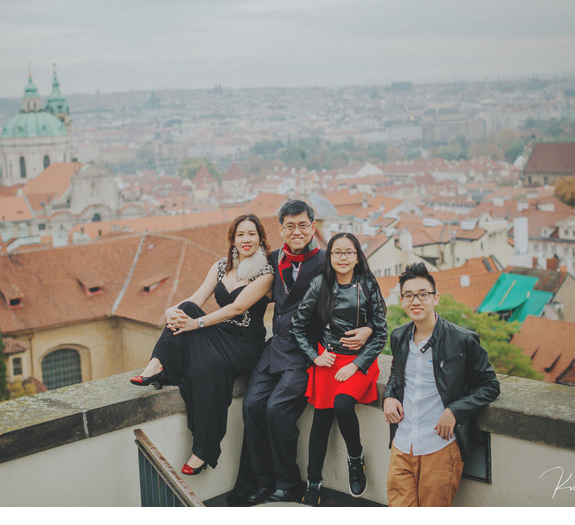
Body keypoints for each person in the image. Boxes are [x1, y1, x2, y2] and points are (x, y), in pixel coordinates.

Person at [233, 200, 375, 505]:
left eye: (302, 225)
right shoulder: (271, 259)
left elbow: (362, 295)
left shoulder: (328, 261)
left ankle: (288, 482)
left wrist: (369, 330)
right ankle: (262, 480)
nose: (296, 231)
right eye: (290, 226)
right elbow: (236, 275)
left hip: (307, 353)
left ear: (313, 227)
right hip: (274, 350)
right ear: (281, 229)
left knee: (277, 411)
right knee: (252, 407)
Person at [130, 214, 274, 475]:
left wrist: (195, 324)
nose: (246, 239)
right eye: (240, 234)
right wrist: (173, 311)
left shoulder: (266, 273)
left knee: (206, 367)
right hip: (219, 333)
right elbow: (197, 298)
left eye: (252, 234)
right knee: (186, 308)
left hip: (245, 343)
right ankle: (155, 365)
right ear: (233, 239)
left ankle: (203, 450)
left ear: (260, 239)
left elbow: (237, 308)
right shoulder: (221, 266)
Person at [383, 262, 500, 507]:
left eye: (423, 294)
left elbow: (490, 385)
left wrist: (455, 410)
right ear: (402, 301)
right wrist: (389, 396)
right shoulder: (399, 336)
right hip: (402, 443)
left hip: (439, 445)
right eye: (408, 295)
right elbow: (396, 375)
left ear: (435, 298)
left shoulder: (462, 340)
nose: (416, 301)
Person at [290, 232, 387, 507]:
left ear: (357, 257)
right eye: (337, 252)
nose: (342, 258)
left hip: (360, 360)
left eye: (348, 252)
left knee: (343, 405)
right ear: (329, 256)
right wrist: (315, 357)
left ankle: (355, 459)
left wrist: (357, 364)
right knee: (320, 423)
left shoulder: (368, 284)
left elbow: (381, 333)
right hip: (328, 359)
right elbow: (297, 326)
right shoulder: (320, 284)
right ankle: (313, 484)